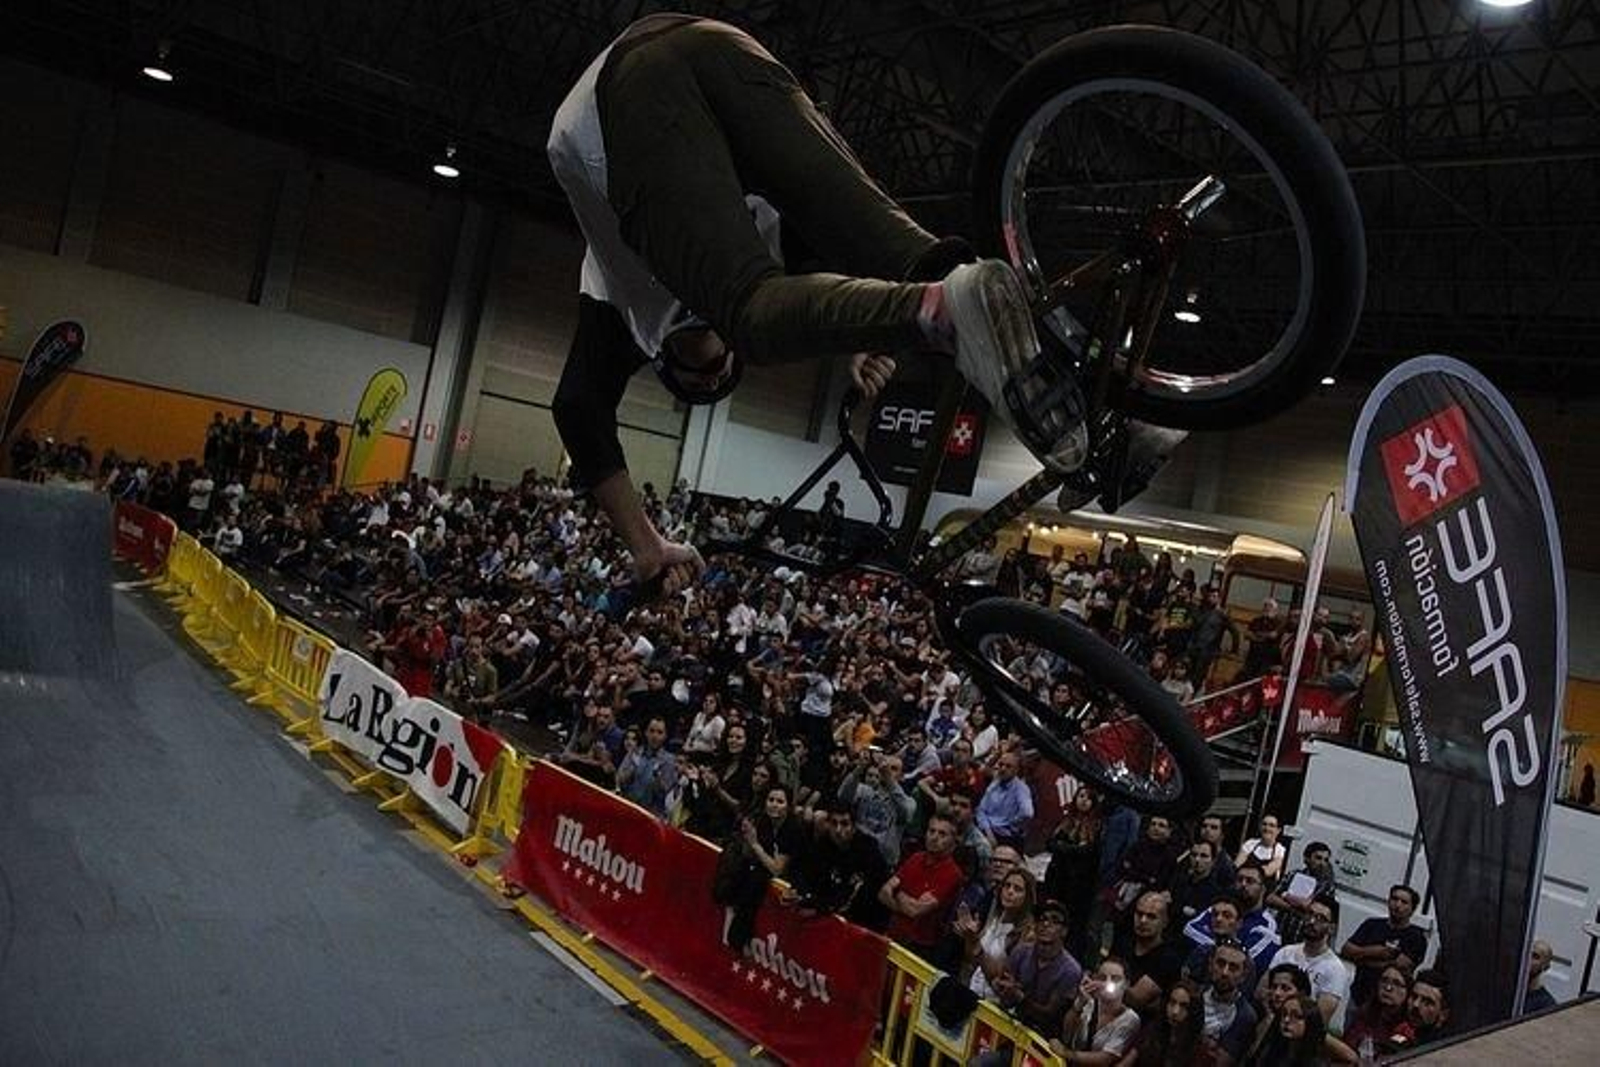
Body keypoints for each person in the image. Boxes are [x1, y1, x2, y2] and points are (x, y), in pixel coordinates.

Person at [546, 15, 1091, 595]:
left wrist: (645, 545)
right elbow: (828, 268)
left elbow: (578, 411)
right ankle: (1098, 382)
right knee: (900, 249)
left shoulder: (618, 311)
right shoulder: (748, 257)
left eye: (706, 367)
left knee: (752, 311)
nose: (711, 351)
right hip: (719, 49)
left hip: (615, 101)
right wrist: (853, 342)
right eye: (719, 368)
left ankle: (939, 313)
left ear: (661, 363)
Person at [783, 799, 891, 931]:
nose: (838, 830)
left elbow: (851, 896)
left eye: (844, 824)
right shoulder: (824, 844)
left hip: (866, 921)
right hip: (833, 914)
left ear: (854, 827)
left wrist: (817, 906)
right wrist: (799, 893)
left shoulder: (868, 849)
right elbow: (803, 871)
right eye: (834, 823)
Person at [988, 898, 1084, 1039]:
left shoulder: (1071, 970)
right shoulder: (1021, 951)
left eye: (1054, 920)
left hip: (1043, 1039)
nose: (1046, 924)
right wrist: (1001, 987)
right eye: (1042, 919)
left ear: (1064, 931)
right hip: (1012, 1024)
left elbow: (1050, 1016)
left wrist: (1020, 997)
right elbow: (1005, 993)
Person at [879, 812, 966, 964]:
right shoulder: (916, 858)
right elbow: (882, 893)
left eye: (942, 834)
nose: (934, 837)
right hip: (892, 935)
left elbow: (916, 911)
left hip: (919, 948)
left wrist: (897, 892)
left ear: (954, 840)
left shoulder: (953, 873)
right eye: (931, 831)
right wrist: (906, 902)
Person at [1269, 897, 1351, 1034]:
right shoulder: (1286, 952)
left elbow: (1319, 1020)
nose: (1312, 921)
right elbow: (1263, 991)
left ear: (1331, 928)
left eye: (1320, 918)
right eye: (1310, 914)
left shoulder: (1335, 969)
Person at [1338, 884, 1428, 1008]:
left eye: (1404, 902)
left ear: (1412, 909)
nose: (1398, 905)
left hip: (1389, 1004)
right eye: (1394, 899)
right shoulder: (1371, 924)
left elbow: (1399, 967)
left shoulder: (1416, 937)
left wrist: (1361, 958)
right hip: (1359, 997)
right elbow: (1346, 951)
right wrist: (1375, 952)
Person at [956, 866, 1036, 1001]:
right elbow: (971, 958)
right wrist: (969, 937)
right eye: (1007, 886)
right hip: (973, 991)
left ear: (1028, 897)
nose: (1010, 892)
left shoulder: (1028, 934)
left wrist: (976, 944)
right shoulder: (994, 918)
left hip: (996, 1002)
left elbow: (1000, 978)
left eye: (1017, 889)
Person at [1057, 957, 1143, 1064]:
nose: (1108, 983)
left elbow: (1105, 1058)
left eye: (1115, 979)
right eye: (1102, 978)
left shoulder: (1130, 1019)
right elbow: (1066, 1034)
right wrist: (1078, 1005)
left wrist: (1066, 1053)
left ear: (1126, 984)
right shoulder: (1089, 1002)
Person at [1110, 891, 1185, 1014]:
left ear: (1165, 922)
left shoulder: (1168, 958)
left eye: (1151, 916)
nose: (1143, 920)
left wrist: (1106, 982)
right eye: (1139, 914)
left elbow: (1136, 999)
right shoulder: (1123, 943)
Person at [1198, 938, 1259, 1066]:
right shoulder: (1194, 995)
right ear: (1210, 965)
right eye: (1220, 963)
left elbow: (1220, 1063)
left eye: (1233, 968)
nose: (1225, 972)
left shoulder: (1245, 1016)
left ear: (1243, 976)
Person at [1268, 841, 1338, 947]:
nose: (1322, 863)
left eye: (1326, 860)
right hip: (1279, 934)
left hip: (1303, 942)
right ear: (1306, 858)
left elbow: (1311, 907)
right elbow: (1270, 898)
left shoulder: (1327, 887)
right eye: (1318, 858)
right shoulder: (1293, 875)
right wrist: (1293, 908)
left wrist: (1287, 896)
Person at [1120, 979, 1203, 1067]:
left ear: (1194, 1011)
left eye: (1184, 1006)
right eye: (1172, 1002)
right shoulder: (1153, 1029)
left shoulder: (1199, 1050)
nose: (1175, 1011)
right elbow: (1127, 1061)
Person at [1339, 964, 1414, 1057]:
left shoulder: (1405, 1030)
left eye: (1397, 983)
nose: (1388, 988)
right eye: (1384, 981)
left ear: (1408, 992)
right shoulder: (1363, 1014)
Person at [1235, 815, 1287, 882]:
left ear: (1278, 830)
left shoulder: (1279, 850)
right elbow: (1237, 864)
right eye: (1264, 824)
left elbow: (1269, 870)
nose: (1267, 828)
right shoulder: (1250, 844)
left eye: (1272, 825)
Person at [1522, 939, 1557, 1014]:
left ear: (1546, 966)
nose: (1528, 959)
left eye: (1535, 957)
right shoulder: (1510, 990)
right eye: (1527, 953)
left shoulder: (1546, 1004)